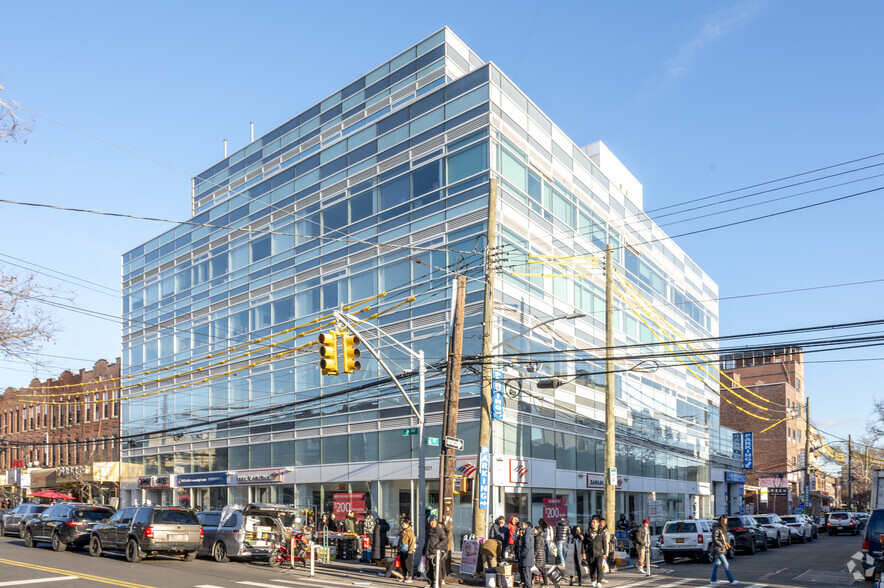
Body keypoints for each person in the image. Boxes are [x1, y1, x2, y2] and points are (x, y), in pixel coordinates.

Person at [710, 515, 738, 585]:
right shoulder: (717, 529)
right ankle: (731, 580)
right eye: (725, 521)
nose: (726, 522)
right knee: (726, 564)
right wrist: (722, 545)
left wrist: (725, 544)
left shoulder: (721, 528)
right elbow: (715, 539)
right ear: (722, 521)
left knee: (717, 564)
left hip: (720, 548)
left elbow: (720, 539)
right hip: (718, 548)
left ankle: (713, 579)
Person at [424, 516, 449, 588]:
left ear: (436, 522)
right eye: (431, 521)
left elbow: (445, 540)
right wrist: (423, 551)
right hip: (428, 552)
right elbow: (426, 541)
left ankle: (438, 585)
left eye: (434, 521)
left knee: (437, 570)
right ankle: (430, 583)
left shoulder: (440, 530)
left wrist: (437, 547)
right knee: (428, 569)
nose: (432, 523)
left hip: (436, 553)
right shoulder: (428, 530)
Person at [584, 518, 607, 588]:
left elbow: (604, 543)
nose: (592, 523)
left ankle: (599, 582)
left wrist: (605, 553)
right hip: (590, 552)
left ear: (598, 523)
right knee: (592, 567)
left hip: (599, 553)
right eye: (592, 522)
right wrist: (583, 553)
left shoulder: (601, 532)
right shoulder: (588, 532)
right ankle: (593, 581)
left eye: (594, 522)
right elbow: (584, 543)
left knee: (599, 567)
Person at [516, 521, 535, 588]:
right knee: (521, 569)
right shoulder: (528, 533)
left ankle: (528, 585)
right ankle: (526, 583)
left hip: (526, 556)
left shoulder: (527, 534)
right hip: (528, 555)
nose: (522, 525)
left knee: (526, 571)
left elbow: (527, 545)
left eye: (523, 524)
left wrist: (523, 553)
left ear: (526, 525)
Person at [399, 519, 416, 584]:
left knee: (408, 564)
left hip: (408, 550)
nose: (402, 525)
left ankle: (410, 577)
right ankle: (404, 576)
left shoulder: (410, 532)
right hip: (402, 549)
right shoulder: (403, 531)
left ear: (408, 525)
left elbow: (412, 542)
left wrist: (410, 551)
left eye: (404, 524)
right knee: (403, 564)